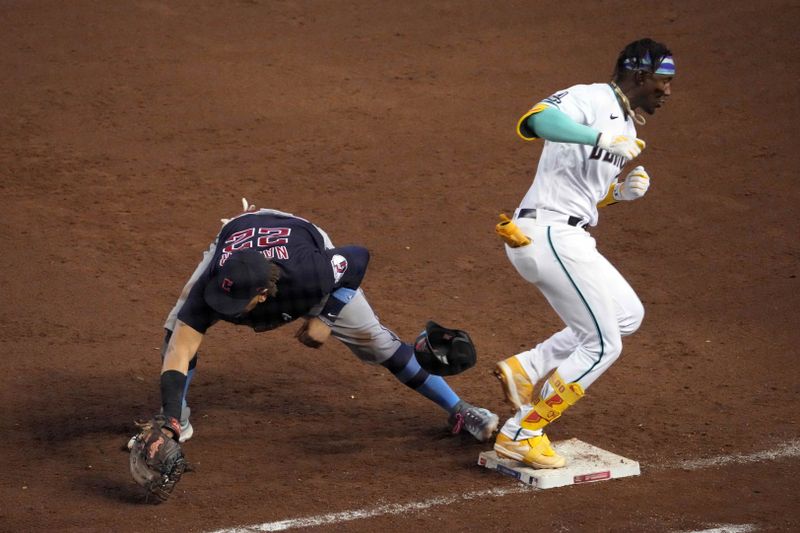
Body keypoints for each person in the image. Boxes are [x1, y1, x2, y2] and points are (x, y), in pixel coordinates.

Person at [134, 202, 499, 454]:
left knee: (376, 341)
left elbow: (359, 258)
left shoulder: (313, 273)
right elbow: (181, 348)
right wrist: (167, 421)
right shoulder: (213, 285)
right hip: (238, 237)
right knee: (178, 329)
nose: (223, 308)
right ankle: (177, 418)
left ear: (262, 295)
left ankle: (460, 408)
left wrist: (326, 318)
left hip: (298, 242)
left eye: (236, 304)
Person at [492, 38, 674, 468]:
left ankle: (529, 366)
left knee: (627, 314)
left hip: (570, 233)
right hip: (548, 232)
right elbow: (535, 120)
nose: (667, 92)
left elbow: (577, 189)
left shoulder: (627, 128)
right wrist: (598, 135)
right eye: (662, 82)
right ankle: (523, 431)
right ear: (640, 76)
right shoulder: (592, 97)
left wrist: (615, 194)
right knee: (603, 344)